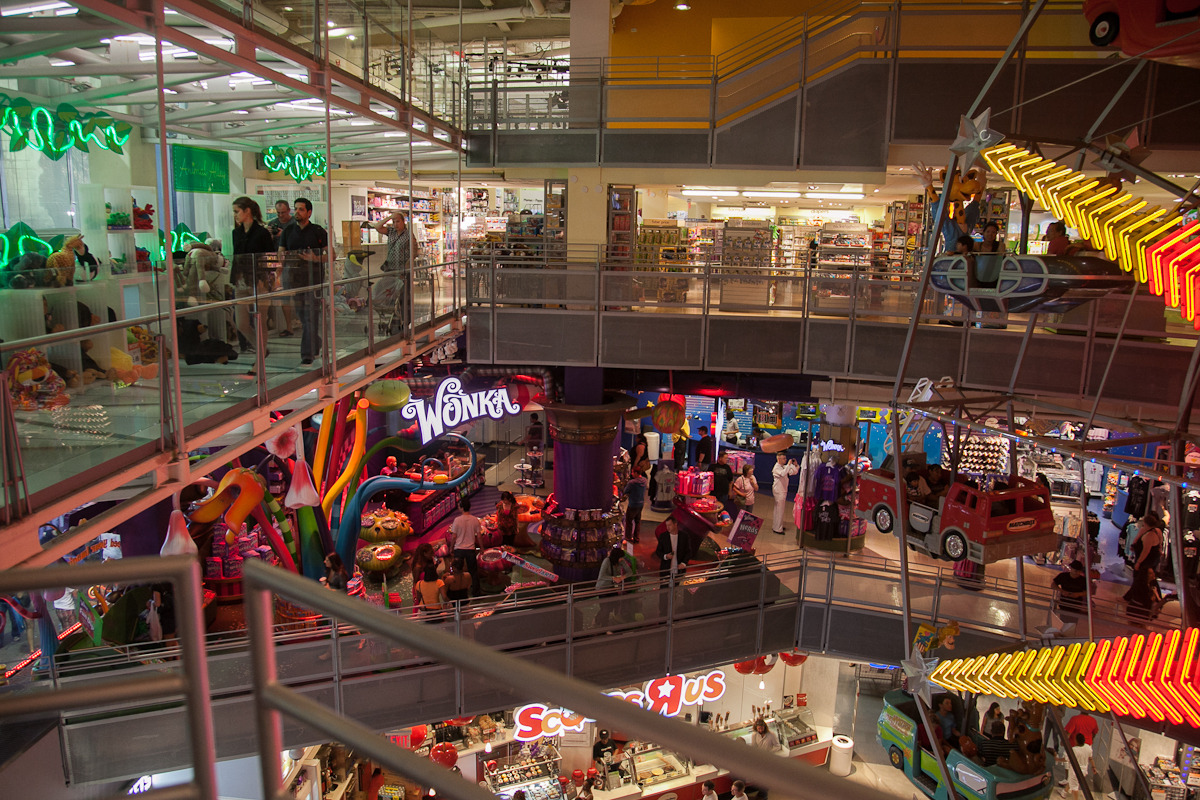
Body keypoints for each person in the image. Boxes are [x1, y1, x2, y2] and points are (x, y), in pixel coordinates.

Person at [278, 197, 328, 365]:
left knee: (310, 316)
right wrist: (279, 272)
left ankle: (307, 354)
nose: (297, 212)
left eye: (301, 209)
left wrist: (315, 258)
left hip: (313, 280)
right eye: (296, 209)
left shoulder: (318, 231)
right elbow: (281, 253)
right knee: (302, 315)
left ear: (309, 212)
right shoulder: (288, 231)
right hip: (293, 279)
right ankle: (316, 343)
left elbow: (331, 255)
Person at [231, 196, 276, 355]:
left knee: (260, 321)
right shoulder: (236, 233)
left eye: (237, 211)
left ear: (247, 211)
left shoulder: (261, 233)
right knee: (241, 323)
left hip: (259, 281)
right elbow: (237, 256)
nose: (235, 215)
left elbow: (271, 257)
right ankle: (261, 350)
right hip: (241, 281)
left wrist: (268, 280)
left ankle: (260, 357)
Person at [370, 210, 413, 333]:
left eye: (397, 221)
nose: (395, 224)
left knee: (404, 295)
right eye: (394, 222)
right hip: (390, 268)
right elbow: (377, 227)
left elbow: (412, 253)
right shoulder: (391, 232)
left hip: (403, 270)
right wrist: (389, 217)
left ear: (403, 222)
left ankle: (406, 320)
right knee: (389, 293)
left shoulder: (408, 236)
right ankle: (392, 318)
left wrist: (405, 268)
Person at [450, 498, 483, 594]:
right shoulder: (475, 520)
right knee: (473, 571)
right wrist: (482, 548)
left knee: (457, 571)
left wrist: (451, 548)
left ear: (461, 507)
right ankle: (476, 591)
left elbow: (454, 536)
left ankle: (457, 589)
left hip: (459, 549)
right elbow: (479, 536)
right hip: (470, 549)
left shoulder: (457, 520)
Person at [595, 544, 632, 627]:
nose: (622, 559)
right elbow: (602, 576)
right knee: (605, 608)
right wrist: (613, 578)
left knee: (612, 605)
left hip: (611, 587)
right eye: (621, 557)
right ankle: (603, 624)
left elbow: (630, 572)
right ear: (616, 557)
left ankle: (600, 621)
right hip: (603, 588)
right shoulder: (607, 561)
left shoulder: (621, 561)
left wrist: (622, 577)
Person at [771, 452, 799, 535]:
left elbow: (793, 472)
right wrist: (789, 465)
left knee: (779, 509)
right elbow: (783, 473)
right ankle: (777, 528)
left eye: (786, 458)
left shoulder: (783, 467)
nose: (785, 460)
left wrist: (795, 465)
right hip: (779, 491)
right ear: (779, 459)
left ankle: (777, 525)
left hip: (782, 490)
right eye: (784, 458)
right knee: (779, 509)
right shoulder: (776, 468)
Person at [1131, 511, 1164, 579]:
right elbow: (1160, 544)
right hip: (1154, 559)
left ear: (1145, 523)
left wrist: (1138, 562)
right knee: (1150, 578)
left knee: (1141, 578)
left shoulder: (1149, 535)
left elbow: (1146, 551)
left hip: (1146, 561)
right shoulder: (1158, 531)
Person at [623, 460, 649, 543]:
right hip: (641, 504)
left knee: (629, 521)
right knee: (638, 521)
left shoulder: (632, 483)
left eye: (632, 472)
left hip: (632, 504)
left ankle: (628, 537)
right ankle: (636, 538)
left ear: (636, 473)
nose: (631, 474)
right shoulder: (644, 480)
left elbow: (625, 491)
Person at [1066, 733, 1095, 800]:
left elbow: (1066, 759)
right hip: (1084, 770)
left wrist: (1057, 759)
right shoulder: (1088, 747)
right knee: (1072, 782)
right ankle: (1064, 792)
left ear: (1076, 741)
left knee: (1075, 787)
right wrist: (1093, 767)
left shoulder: (1074, 750)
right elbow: (1090, 758)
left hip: (1075, 771)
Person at [707, 450, 735, 514]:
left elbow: (730, 481)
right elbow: (708, 478)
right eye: (725, 458)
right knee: (712, 508)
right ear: (720, 458)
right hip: (713, 492)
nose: (726, 460)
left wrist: (730, 491)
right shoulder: (712, 467)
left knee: (722, 509)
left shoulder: (727, 468)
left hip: (723, 492)